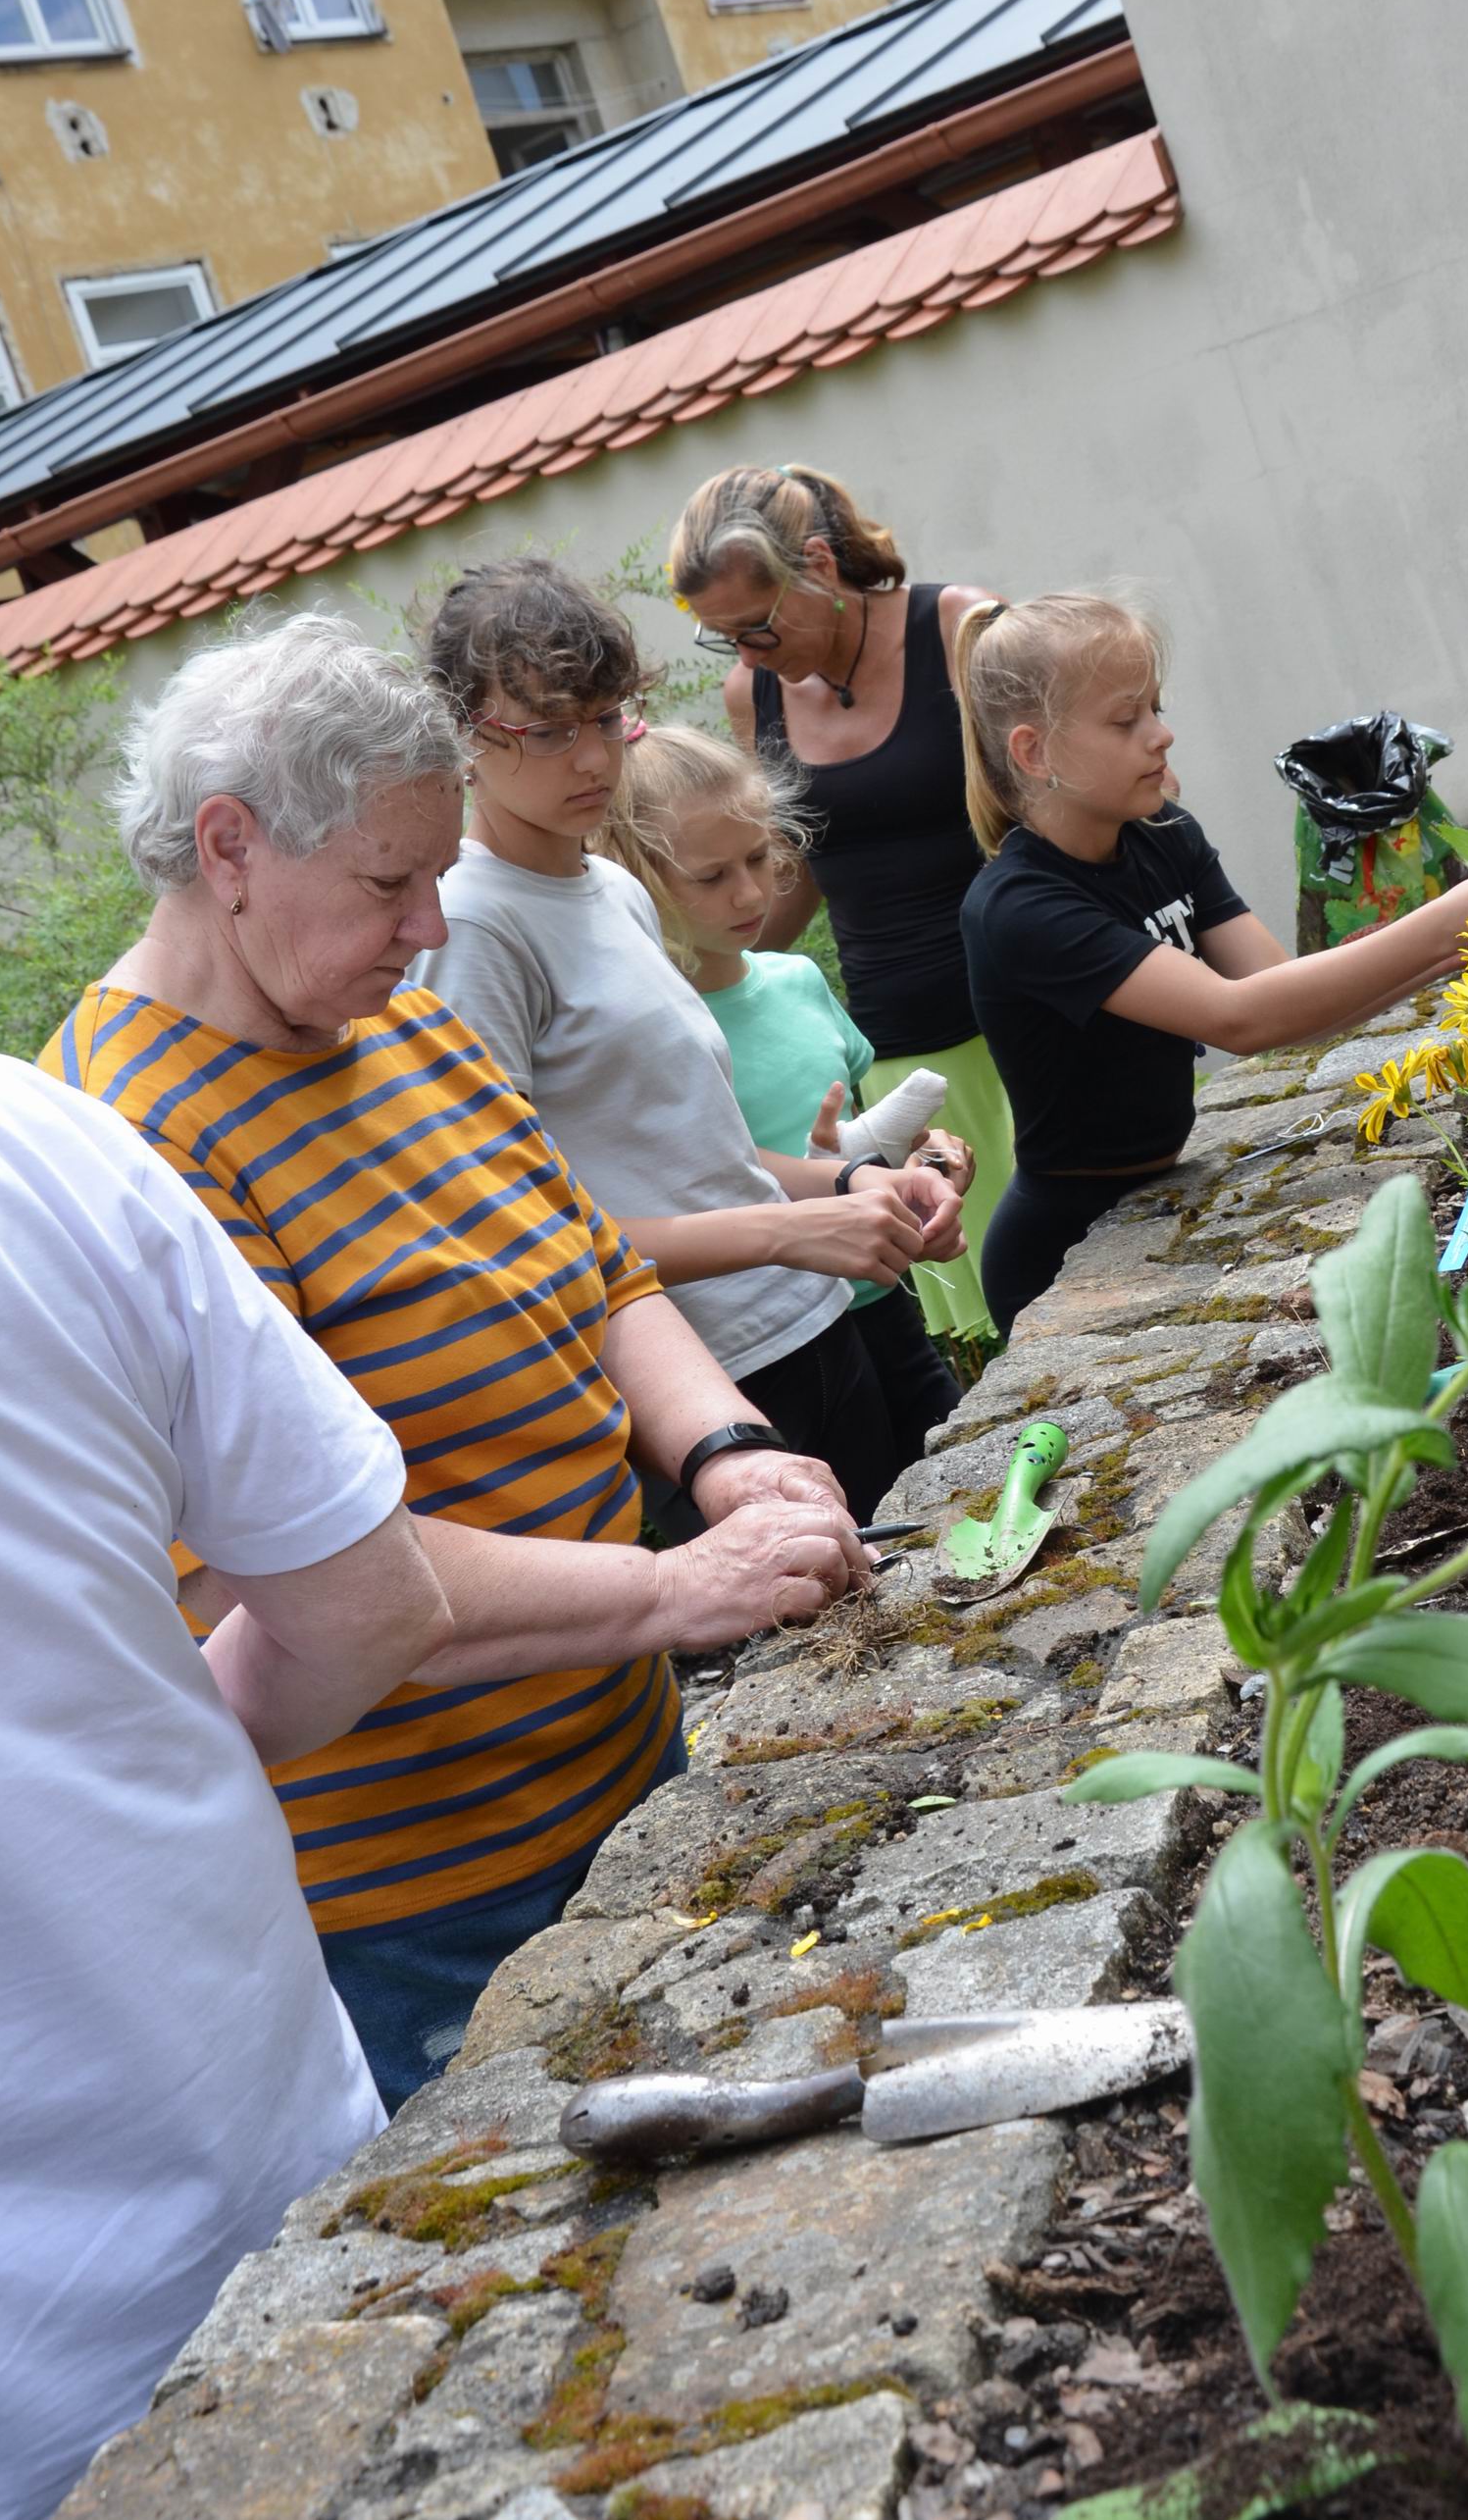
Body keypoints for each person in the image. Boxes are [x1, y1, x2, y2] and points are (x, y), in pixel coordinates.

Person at [44, 610, 868, 2112]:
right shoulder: (127, 1147)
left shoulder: (401, 1030)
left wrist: (722, 1453)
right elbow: (304, 1572)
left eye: (437, 875)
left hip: (623, 1756)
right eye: (388, 881)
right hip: (431, 1894)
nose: (433, 925)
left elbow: (598, 1273)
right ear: (229, 846)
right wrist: (684, 1586)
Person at [0, 1054, 453, 2520]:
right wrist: (138, 1776)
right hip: (268, 2176)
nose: (425, 923)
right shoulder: (35, 1130)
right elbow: (369, 1600)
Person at [413, 557, 964, 1520]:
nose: (591, 758)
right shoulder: (472, 929)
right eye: (546, 729)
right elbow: (518, 1236)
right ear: (460, 733)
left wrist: (852, 1186)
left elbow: (699, 1153)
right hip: (700, 1397)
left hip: (812, 1325)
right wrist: (795, 1229)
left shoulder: (614, 888)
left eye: (604, 717)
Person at [953, 591, 1468, 1335]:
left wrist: (1462, 943)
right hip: (1064, 1246)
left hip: (1159, 1192)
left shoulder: (1163, 833)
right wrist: (1452, 921)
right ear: (1033, 751)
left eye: (1156, 708)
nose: (1162, 735)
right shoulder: (1019, 908)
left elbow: (1283, 994)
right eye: (1125, 718)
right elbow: (1243, 1018)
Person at [668, 460, 1012, 1343]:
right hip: (899, 1048)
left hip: (1027, 1017)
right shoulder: (756, 691)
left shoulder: (962, 625)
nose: (744, 654)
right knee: (978, 1337)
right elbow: (792, 869)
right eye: (724, 637)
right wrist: (700, 973)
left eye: (757, 626)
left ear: (818, 565)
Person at [602, 719, 970, 1466]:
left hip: (883, 1301)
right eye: (710, 876)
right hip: (769, 1341)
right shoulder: (655, 1029)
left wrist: (924, 1158)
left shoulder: (798, 981)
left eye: (760, 857)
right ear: (632, 876)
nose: (751, 891)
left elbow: (852, 1133)